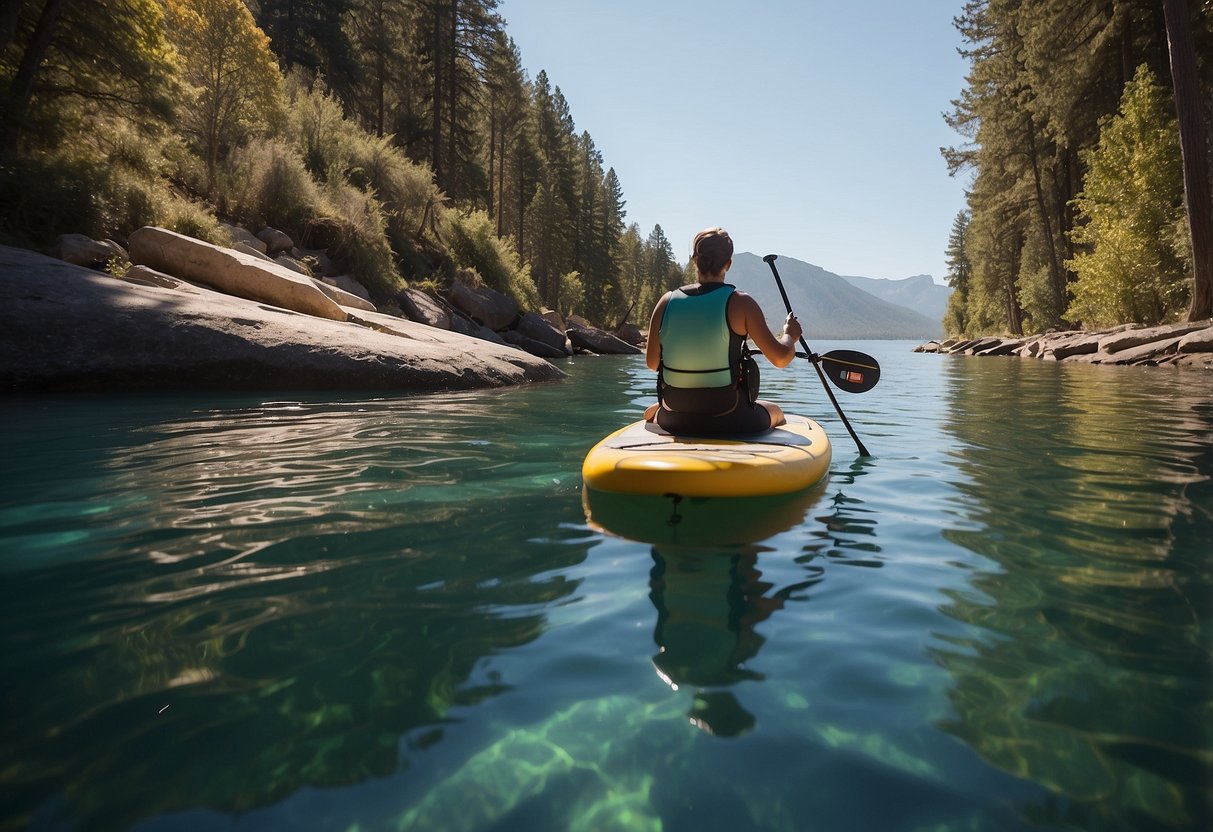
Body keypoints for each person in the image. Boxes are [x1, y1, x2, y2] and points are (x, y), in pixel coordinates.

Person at [643, 227, 802, 434]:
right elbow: (781, 358)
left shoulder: (665, 302)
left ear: (695, 260)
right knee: (777, 412)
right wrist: (790, 334)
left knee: (650, 412)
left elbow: (652, 363)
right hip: (730, 417)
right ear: (728, 264)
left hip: (674, 417)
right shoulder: (741, 303)